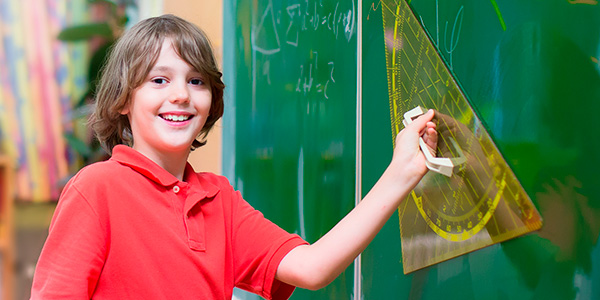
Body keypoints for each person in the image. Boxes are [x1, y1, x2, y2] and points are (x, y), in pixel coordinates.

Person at [30, 14, 437, 299]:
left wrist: (402, 172)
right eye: (158, 80)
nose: (181, 95)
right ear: (123, 100)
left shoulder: (217, 200)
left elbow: (312, 268)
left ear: (212, 99)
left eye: (196, 80)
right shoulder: (97, 188)